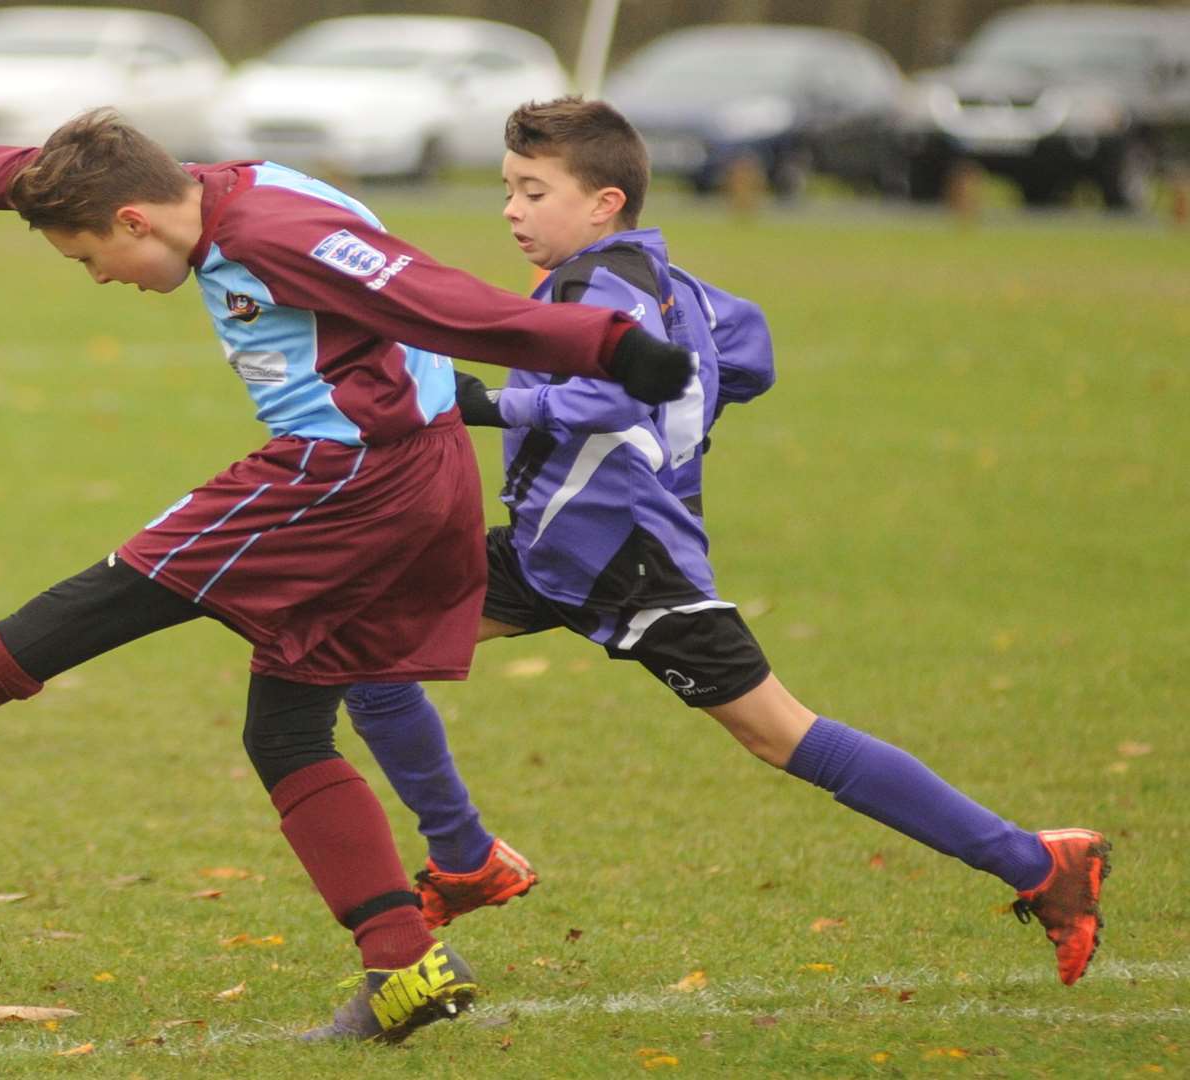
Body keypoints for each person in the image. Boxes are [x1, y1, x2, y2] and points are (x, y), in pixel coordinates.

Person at [0, 108, 695, 1042]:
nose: (98, 277)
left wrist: (604, 345)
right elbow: (72, 168)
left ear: (138, 223)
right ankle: (402, 961)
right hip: (405, 480)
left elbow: (439, 301)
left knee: (67, 619)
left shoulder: (278, 236)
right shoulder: (198, 190)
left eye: (88, 258)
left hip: (342, 481)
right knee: (283, 728)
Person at [344, 97, 1110, 986]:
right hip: (553, 548)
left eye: (532, 191)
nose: (511, 210)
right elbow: (750, 349)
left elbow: (618, 396)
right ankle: (468, 857)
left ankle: (1039, 864)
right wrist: (686, 416)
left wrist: (492, 404)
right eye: (509, 190)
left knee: (781, 736)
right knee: (366, 649)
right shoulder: (667, 278)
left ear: (604, 203)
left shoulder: (599, 281)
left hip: (629, 558)